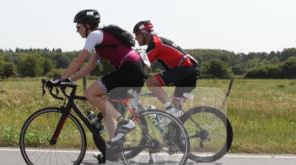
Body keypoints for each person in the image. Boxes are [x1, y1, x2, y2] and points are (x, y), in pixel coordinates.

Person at [57, 10, 148, 147]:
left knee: (90, 93)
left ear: (88, 26)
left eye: (78, 27)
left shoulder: (94, 35)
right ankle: (114, 147)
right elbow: (88, 67)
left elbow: (79, 61)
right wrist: (70, 79)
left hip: (130, 69)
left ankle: (124, 122)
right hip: (135, 70)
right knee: (106, 108)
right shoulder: (101, 40)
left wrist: (60, 79)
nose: (77, 30)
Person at [132, 20, 199, 116]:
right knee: (175, 116)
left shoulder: (155, 44)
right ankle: (176, 122)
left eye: (137, 35)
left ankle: (170, 109)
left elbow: (141, 66)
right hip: (189, 70)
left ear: (144, 33)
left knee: (151, 82)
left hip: (185, 70)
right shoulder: (156, 41)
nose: (136, 38)